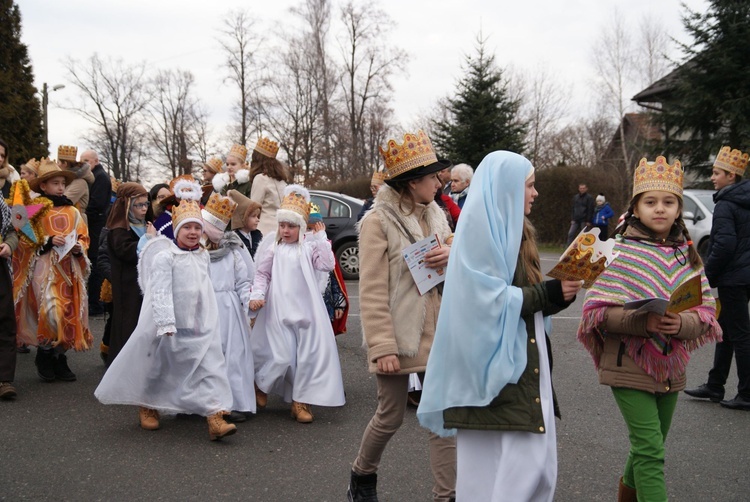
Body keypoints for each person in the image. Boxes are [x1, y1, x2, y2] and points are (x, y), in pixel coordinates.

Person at [417, 151, 581, 502]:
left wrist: (559, 295)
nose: (535, 194)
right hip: (492, 373)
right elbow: (482, 301)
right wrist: (548, 292)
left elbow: (522, 297)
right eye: (530, 185)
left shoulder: (517, 231)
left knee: (534, 470)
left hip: (524, 365)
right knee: (503, 474)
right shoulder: (479, 234)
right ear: (506, 188)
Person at [577, 156, 721, 501]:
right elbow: (595, 311)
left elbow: (705, 309)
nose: (660, 209)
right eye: (651, 202)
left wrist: (681, 322)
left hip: (671, 365)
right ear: (636, 208)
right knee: (651, 451)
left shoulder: (686, 254)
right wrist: (643, 321)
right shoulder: (620, 251)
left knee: (648, 446)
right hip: (628, 363)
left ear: (678, 209)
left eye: (669, 202)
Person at [347, 130, 456, 502]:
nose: (439, 181)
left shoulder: (437, 215)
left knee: (442, 419)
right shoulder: (377, 222)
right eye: (432, 177)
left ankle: (448, 495)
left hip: (439, 332)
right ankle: (362, 475)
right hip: (399, 335)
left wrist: (451, 256)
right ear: (412, 184)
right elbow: (373, 289)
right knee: (390, 416)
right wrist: (382, 346)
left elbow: (453, 263)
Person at [95, 180, 237, 440]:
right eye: (187, 228)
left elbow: (203, 289)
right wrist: (165, 322)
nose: (193, 232)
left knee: (210, 367)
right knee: (161, 366)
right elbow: (158, 291)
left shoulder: (202, 255)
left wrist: (207, 319)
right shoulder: (166, 257)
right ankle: (148, 404)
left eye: (197, 227)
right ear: (176, 230)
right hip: (168, 325)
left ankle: (215, 416)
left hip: (197, 324)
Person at [249, 185, 345, 423]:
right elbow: (262, 274)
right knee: (281, 356)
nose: (286, 230)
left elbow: (326, 264)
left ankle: (300, 401)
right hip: (278, 312)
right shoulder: (274, 247)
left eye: (291, 226)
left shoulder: (309, 247)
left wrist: (322, 238)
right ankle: (261, 384)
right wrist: (257, 295)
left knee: (306, 358)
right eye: (282, 225)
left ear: (301, 227)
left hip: (307, 311)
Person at [15, 159, 92, 382]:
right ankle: (45, 353)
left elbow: (83, 235)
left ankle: (60, 356)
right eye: (55, 183)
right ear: (43, 186)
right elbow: (22, 236)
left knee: (67, 310)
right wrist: (47, 240)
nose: (60, 187)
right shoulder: (34, 210)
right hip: (44, 268)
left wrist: (79, 247)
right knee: (49, 309)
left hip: (68, 270)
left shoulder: (72, 210)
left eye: (62, 183)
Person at [685, 146, 750, 411]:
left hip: (733, 277)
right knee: (726, 331)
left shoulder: (725, 203)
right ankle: (715, 384)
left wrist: (706, 277)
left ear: (731, 176)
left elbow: (723, 245)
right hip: (744, 275)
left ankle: (746, 394)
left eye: (717, 173)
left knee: (741, 335)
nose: (713, 177)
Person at [201, 192, 256, 422]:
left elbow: (243, 280)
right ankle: (202, 403)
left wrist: (249, 303)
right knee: (205, 356)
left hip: (229, 309)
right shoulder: (197, 253)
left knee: (233, 356)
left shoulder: (233, 251)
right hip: (204, 308)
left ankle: (234, 402)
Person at [104, 182, 150, 365]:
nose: (144, 209)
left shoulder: (145, 225)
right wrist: (148, 239)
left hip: (143, 284)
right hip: (127, 285)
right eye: (139, 205)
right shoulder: (119, 229)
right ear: (127, 205)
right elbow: (126, 251)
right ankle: (122, 367)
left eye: (146, 204)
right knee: (127, 326)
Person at [80, 149, 112, 315]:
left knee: (95, 262)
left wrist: (82, 216)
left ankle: (96, 303)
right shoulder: (96, 177)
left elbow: (97, 204)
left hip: (96, 225)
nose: (84, 164)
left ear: (95, 161)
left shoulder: (100, 178)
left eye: (86, 160)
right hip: (94, 223)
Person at [249, 137, 289, 236]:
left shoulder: (260, 178)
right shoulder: (282, 180)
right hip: (281, 229)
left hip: (264, 230)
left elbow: (254, 207)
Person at [0, 195, 19, 400]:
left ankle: (4, 379)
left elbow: (12, 230)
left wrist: (9, 245)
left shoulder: (1, 202)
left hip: (0, 268)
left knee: (5, 322)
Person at [58, 145, 94, 225]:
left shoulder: (80, 182)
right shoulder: (70, 180)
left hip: (76, 223)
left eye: (59, 162)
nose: (57, 165)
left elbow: (64, 201)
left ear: (65, 164)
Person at [228, 189, 263, 260]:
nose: (257, 219)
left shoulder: (258, 236)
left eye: (257, 216)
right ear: (243, 218)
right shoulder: (234, 240)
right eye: (253, 216)